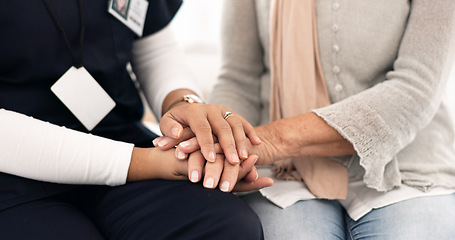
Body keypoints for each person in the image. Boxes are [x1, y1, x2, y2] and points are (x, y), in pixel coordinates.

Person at [157, 0, 455, 239]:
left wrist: (271, 140)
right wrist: (220, 146)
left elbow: (417, 85)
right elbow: (239, 77)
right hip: (285, 173)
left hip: (406, 167)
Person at [0, 0, 272, 239]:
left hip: (117, 137)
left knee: (224, 226)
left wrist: (183, 106)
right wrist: (145, 163)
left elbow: (155, 49)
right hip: (13, 173)